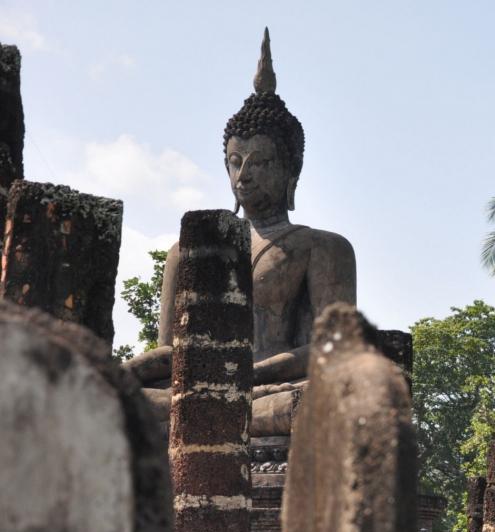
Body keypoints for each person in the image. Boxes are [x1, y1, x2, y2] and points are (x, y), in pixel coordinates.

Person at [128, 28, 355, 436]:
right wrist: (120, 373)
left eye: (260, 162)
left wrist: (247, 374)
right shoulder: (189, 251)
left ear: (291, 171)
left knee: (321, 399)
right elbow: (171, 349)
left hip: (274, 388)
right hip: (196, 392)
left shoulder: (320, 247)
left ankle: (215, 412)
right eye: (235, 162)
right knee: (116, 396)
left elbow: (333, 349)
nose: (244, 175)